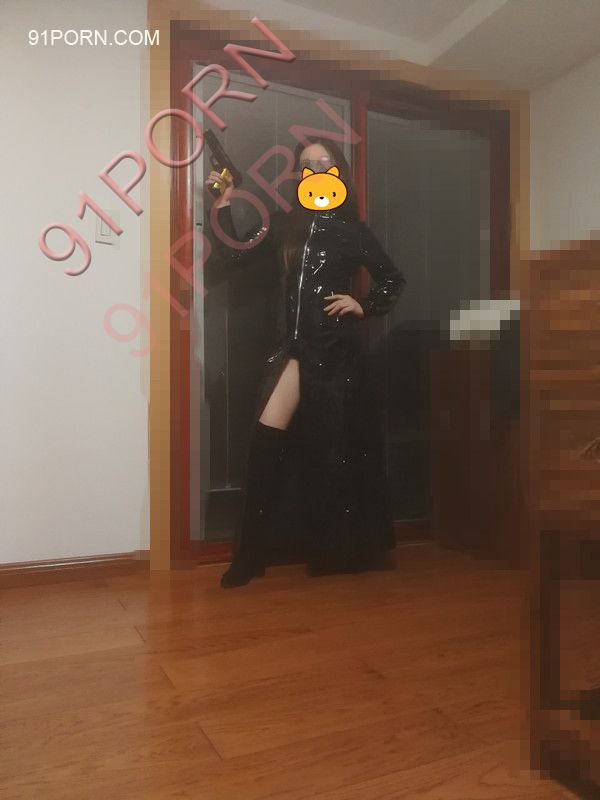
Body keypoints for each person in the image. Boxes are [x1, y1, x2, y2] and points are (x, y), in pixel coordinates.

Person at [203, 136, 407, 588]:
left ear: (338, 172)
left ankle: (343, 554)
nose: (314, 169)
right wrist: (223, 202)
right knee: (264, 445)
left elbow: (392, 279)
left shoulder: (353, 231)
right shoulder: (283, 226)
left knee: (335, 453)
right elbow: (235, 254)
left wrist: (362, 304)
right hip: (294, 350)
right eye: (306, 164)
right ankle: (250, 556)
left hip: (337, 354)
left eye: (323, 161)